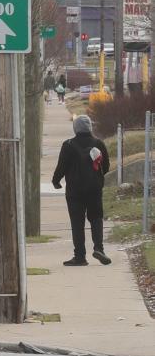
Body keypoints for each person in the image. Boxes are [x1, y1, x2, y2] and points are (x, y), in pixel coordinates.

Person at [51, 113, 112, 266]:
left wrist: (56, 181)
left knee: (77, 222)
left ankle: (80, 256)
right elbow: (106, 167)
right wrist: (96, 178)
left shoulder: (68, 145)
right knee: (96, 218)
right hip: (94, 189)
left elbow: (62, 167)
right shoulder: (99, 143)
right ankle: (99, 248)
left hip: (74, 191)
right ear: (90, 127)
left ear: (76, 128)